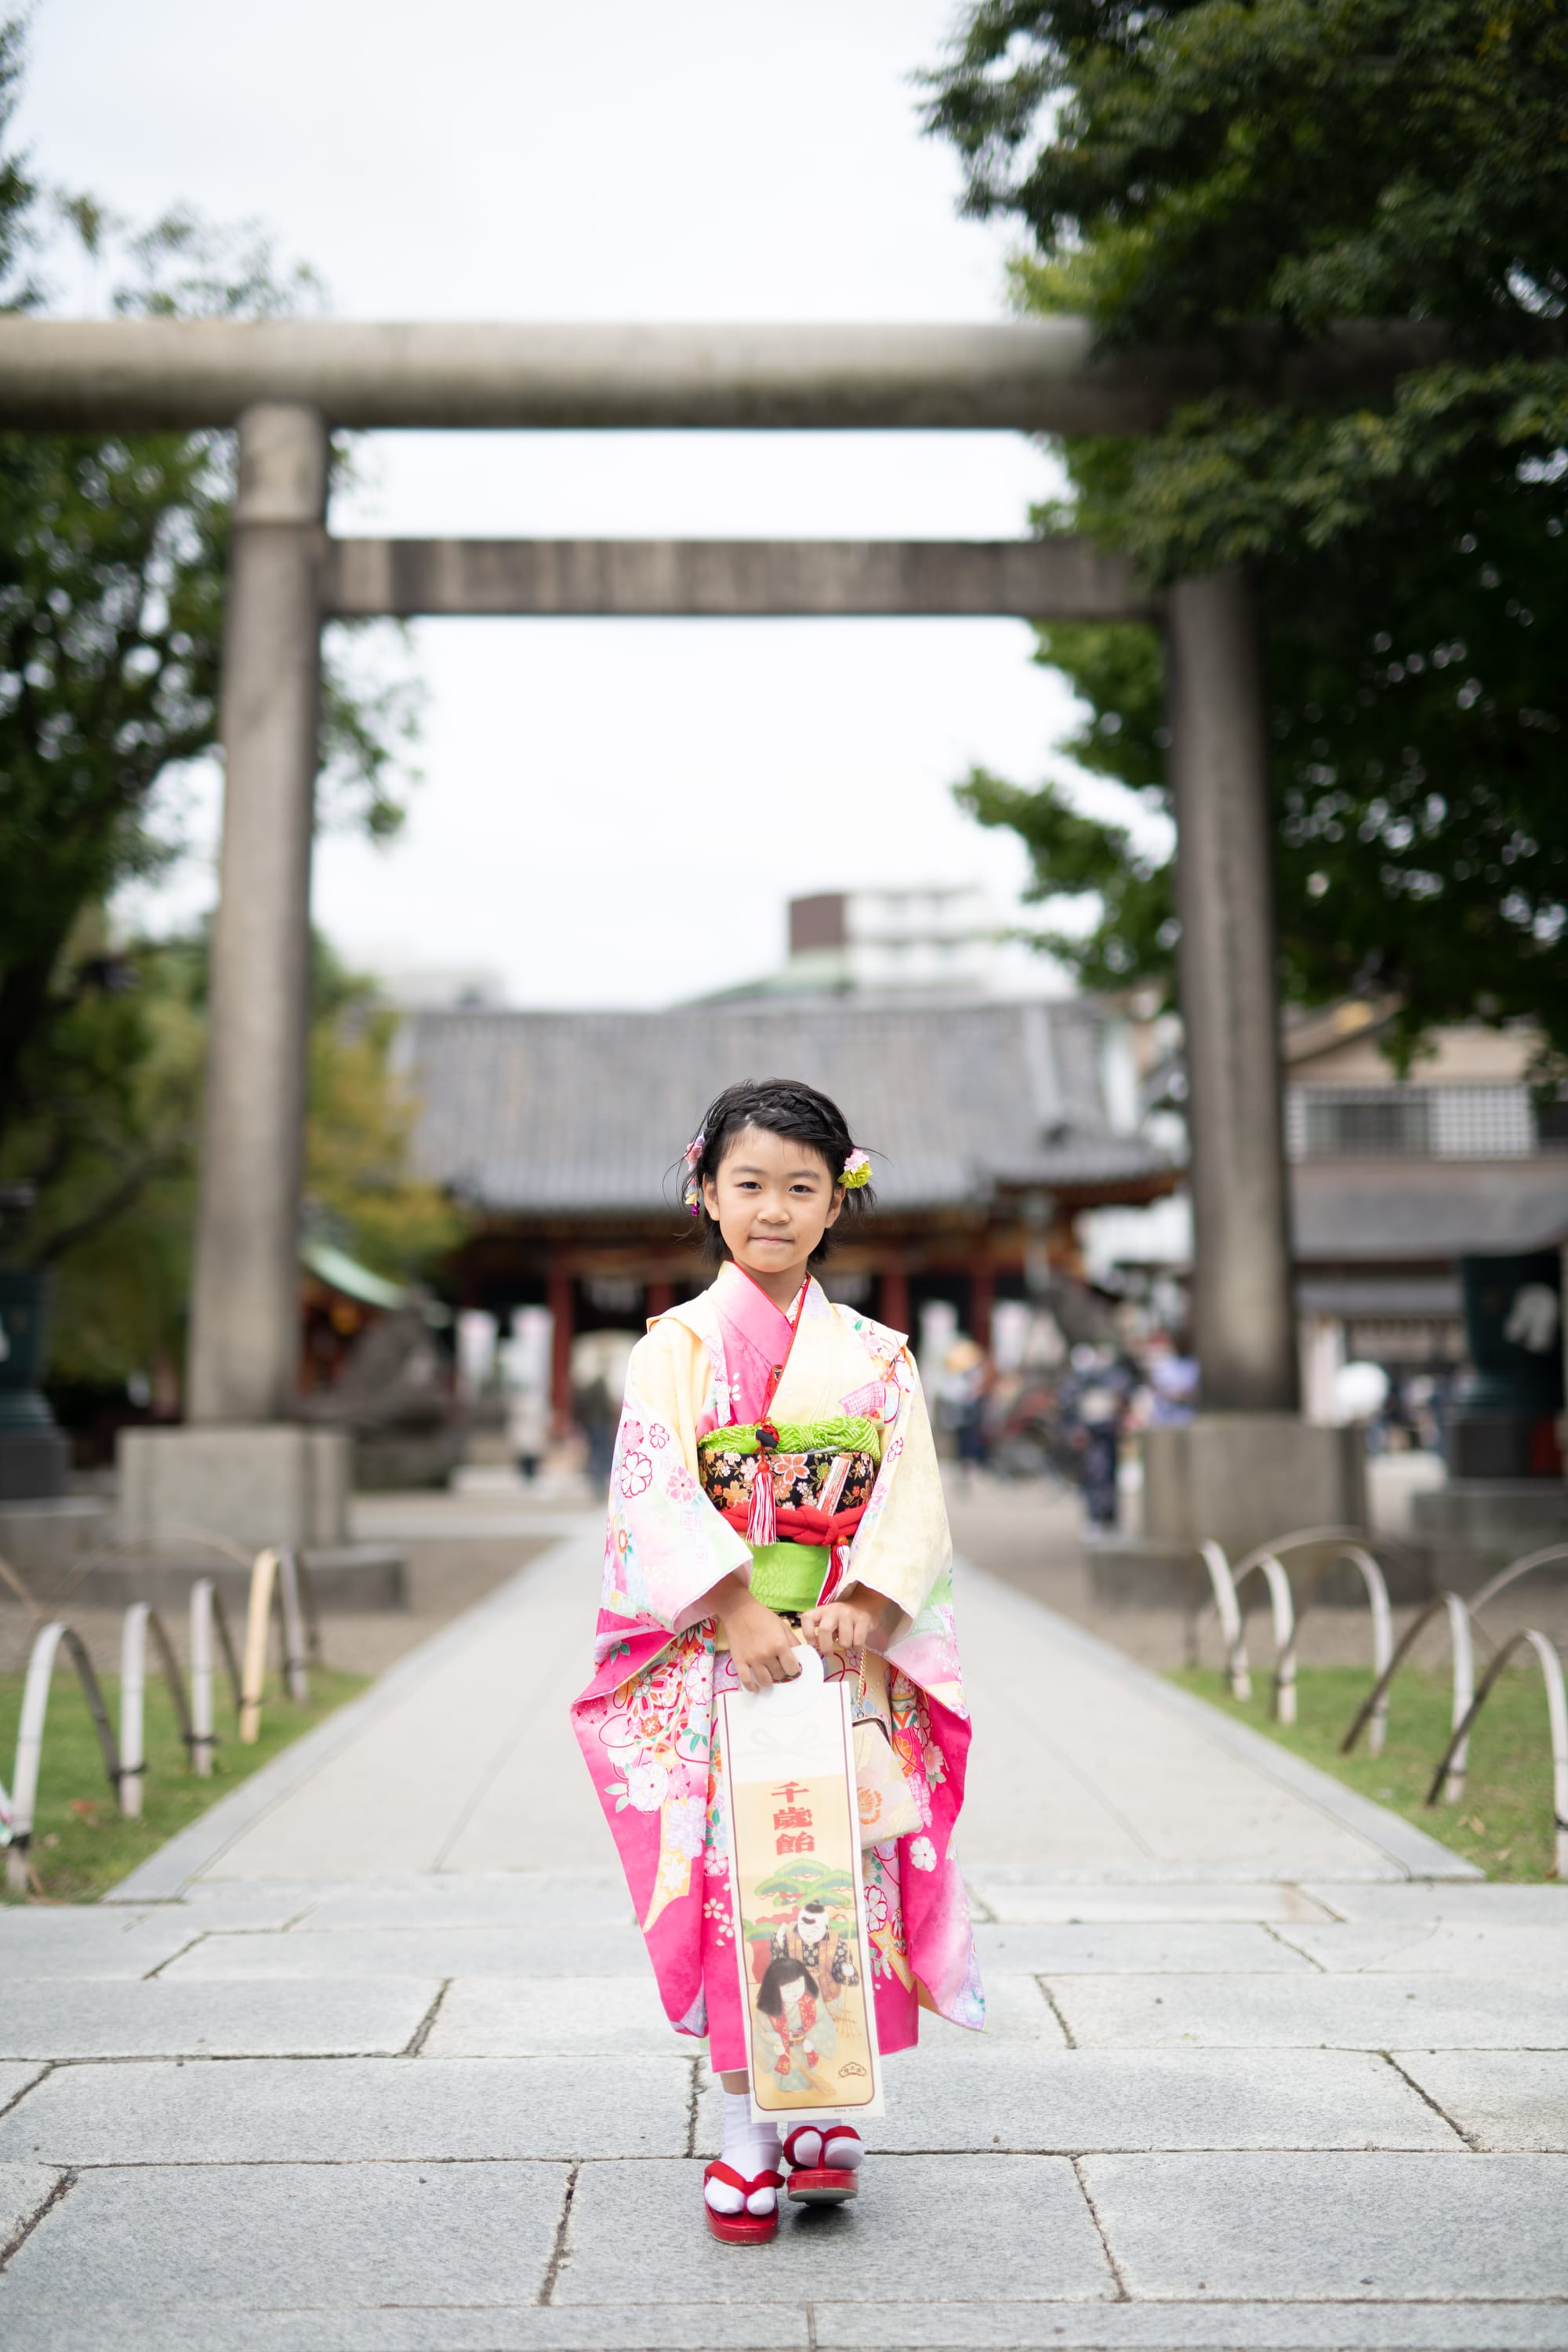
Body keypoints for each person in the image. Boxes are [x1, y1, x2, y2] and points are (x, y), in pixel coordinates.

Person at [570, 1078, 982, 2248]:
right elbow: (650, 1491)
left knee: (837, 1877)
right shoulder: (675, 1351)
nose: (774, 1209)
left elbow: (913, 1498)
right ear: (706, 1192)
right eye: (749, 1185)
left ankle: (826, 2112)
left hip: (846, 1655)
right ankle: (749, 2127)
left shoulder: (878, 1358)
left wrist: (868, 1597)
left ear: (835, 1205)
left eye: (803, 1188)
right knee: (738, 1883)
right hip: (721, 1659)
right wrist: (738, 1606)